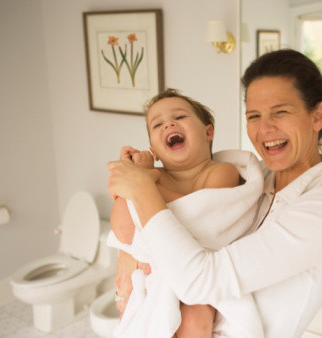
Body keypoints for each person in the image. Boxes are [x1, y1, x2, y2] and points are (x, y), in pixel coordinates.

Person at [108, 49, 322, 337]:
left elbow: (199, 281)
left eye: (280, 112)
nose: (264, 128)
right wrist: (129, 251)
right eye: (254, 116)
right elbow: (168, 224)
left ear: (317, 116)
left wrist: (141, 188)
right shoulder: (252, 180)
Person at [108, 88, 264, 337]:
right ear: (154, 150)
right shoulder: (156, 178)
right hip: (158, 276)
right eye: (157, 124)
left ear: (208, 132)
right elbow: (123, 231)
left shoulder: (220, 171)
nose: (168, 123)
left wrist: (143, 184)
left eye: (180, 117)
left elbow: (204, 212)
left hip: (200, 273)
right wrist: (130, 182)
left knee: (195, 315)